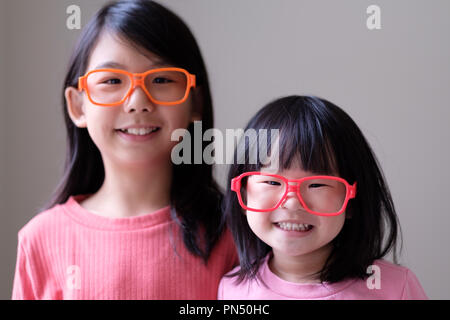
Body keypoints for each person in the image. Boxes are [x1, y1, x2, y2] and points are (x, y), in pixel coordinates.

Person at [12, 0, 237, 300]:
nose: (137, 101)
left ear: (194, 102)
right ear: (77, 106)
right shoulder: (41, 240)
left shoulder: (234, 234)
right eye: (112, 81)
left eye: (161, 79)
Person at [218, 95, 427, 299]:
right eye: (272, 182)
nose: (292, 202)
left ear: (351, 201)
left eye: (316, 184)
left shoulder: (393, 288)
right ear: (243, 194)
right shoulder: (233, 291)